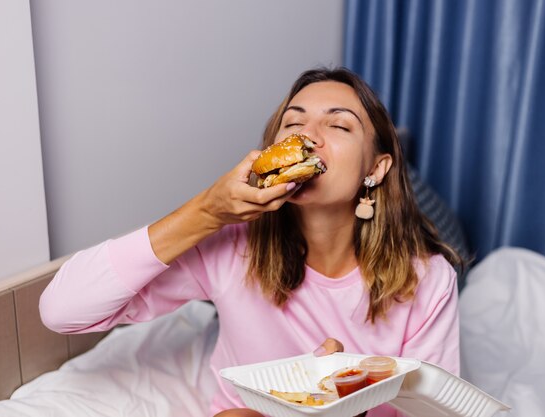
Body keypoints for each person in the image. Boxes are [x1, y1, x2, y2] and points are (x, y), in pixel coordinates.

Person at [40, 67, 462, 417]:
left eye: (338, 124)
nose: (308, 135)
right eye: (293, 123)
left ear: (377, 167)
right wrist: (207, 210)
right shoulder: (232, 247)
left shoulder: (427, 280)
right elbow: (61, 312)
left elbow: (435, 411)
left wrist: (344, 402)